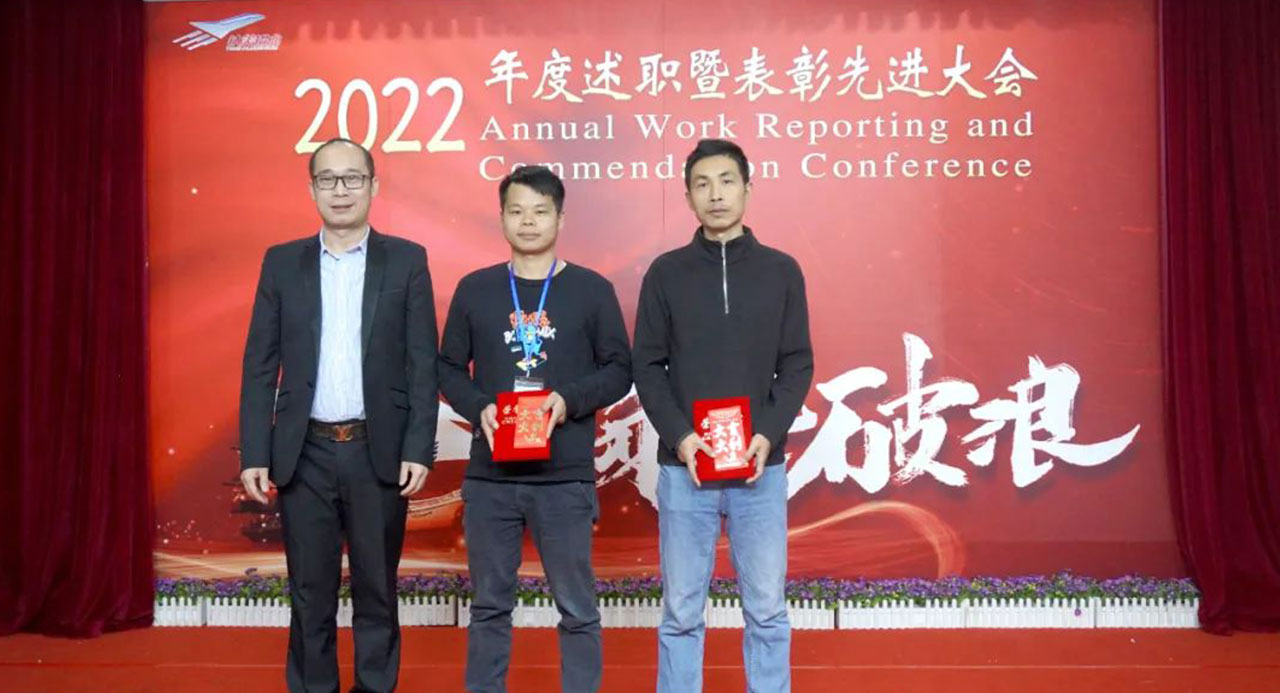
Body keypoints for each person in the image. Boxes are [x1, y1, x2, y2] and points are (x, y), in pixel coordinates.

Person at [239, 137, 438, 692]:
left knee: (377, 588)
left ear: (373, 186)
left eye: (353, 178)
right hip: (304, 452)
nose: (341, 190)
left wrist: (418, 447)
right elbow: (260, 363)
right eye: (328, 179)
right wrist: (255, 450)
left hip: (378, 450)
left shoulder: (407, 260)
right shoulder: (282, 263)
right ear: (312, 189)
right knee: (310, 592)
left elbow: (423, 362)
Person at [438, 165, 632, 693]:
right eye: (517, 211)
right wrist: (479, 406)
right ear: (501, 218)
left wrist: (568, 401)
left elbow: (620, 369)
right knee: (488, 606)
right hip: (491, 478)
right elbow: (447, 368)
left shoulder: (592, 290)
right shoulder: (476, 289)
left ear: (560, 219)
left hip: (564, 478)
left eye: (541, 211)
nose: (528, 221)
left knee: (577, 607)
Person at [632, 139, 814, 692]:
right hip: (685, 469)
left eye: (727, 181)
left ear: (748, 189)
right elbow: (647, 365)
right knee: (681, 611)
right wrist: (682, 438)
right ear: (688, 196)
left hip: (761, 469)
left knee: (767, 609)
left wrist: (768, 434)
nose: (716, 194)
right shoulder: (666, 273)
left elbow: (797, 362)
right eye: (702, 184)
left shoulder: (781, 271)